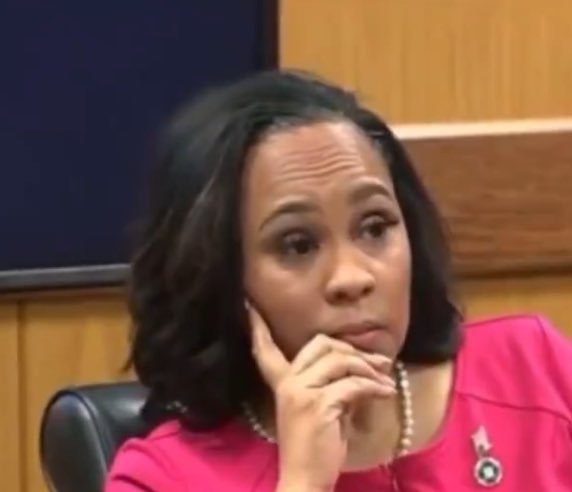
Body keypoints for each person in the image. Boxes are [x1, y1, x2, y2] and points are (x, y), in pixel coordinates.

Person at [105, 70, 572, 492]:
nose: (352, 277)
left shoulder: (532, 369)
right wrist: (303, 483)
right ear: (219, 278)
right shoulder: (159, 478)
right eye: (297, 245)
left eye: (375, 227)